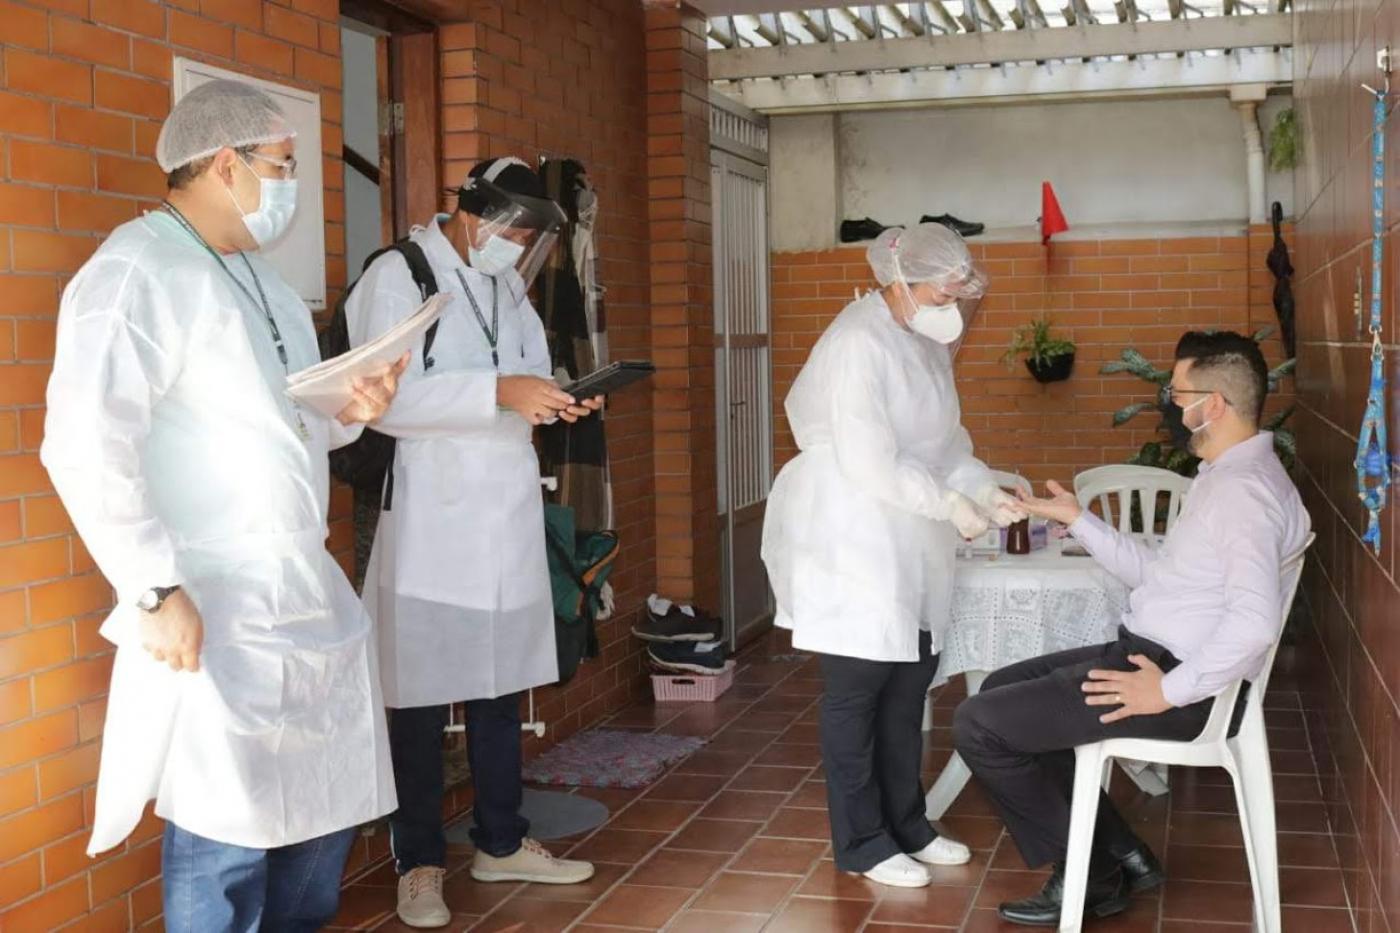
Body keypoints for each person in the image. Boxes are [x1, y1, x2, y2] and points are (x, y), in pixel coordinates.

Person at [40, 79, 406, 931]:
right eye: (282, 165)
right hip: (209, 600)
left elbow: (275, 430)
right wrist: (151, 588)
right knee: (226, 839)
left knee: (320, 821)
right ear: (226, 163)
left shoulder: (261, 281)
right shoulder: (136, 271)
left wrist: (349, 413)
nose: (290, 186)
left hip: (300, 591)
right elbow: (85, 441)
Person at [953, 331, 1311, 926]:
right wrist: (1079, 520)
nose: (1171, 403)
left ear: (1213, 404)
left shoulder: (1243, 493)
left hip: (1175, 681)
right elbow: (1164, 578)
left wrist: (1164, 692)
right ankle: (1124, 852)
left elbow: (1254, 622)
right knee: (998, 692)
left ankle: (1091, 875)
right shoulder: (1230, 476)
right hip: (1153, 655)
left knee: (979, 725)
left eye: (1178, 392)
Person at [344, 157, 603, 929]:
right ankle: (419, 862)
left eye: (530, 234)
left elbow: (523, 372)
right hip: (432, 516)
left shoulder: (502, 281)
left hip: (504, 509)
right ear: (474, 211)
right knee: (419, 694)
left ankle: (501, 839)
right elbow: (380, 401)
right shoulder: (401, 273)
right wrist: (497, 392)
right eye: (514, 226)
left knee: (498, 684)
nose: (519, 242)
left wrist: (551, 401)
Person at [761, 224, 1027, 889]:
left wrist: (984, 488)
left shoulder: (924, 342)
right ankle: (862, 840)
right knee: (858, 690)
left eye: (960, 295)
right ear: (901, 279)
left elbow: (946, 446)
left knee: (910, 683)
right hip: (854, 531)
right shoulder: (858, 341)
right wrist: (949, 505)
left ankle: (909, 823)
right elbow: (870, 462)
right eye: (945, 291)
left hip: (911, 531)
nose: (954, 306)